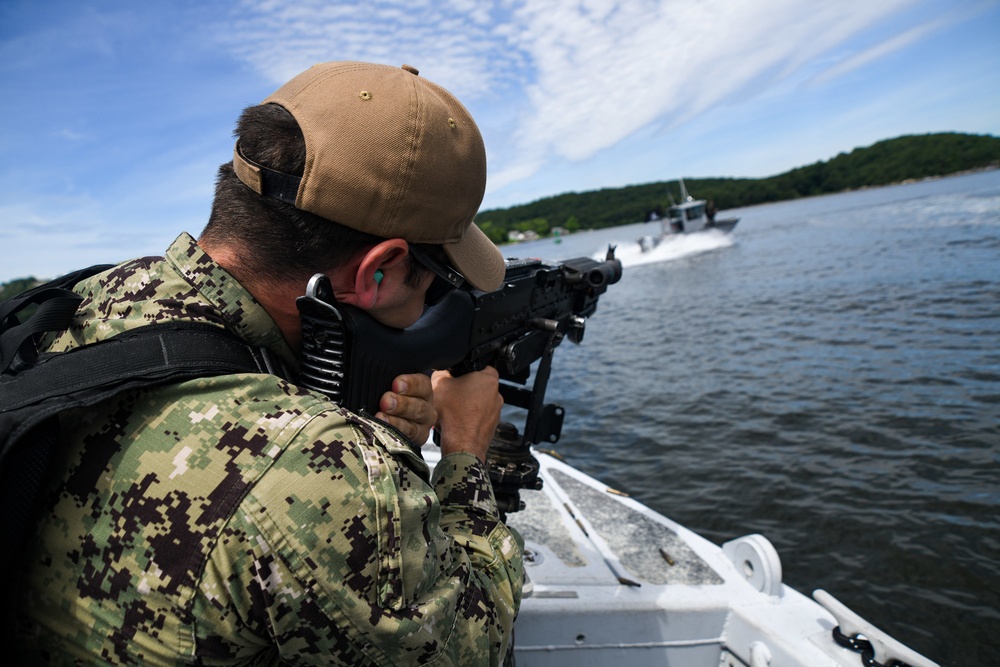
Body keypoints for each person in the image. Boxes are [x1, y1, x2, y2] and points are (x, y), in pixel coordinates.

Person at [13, 61, 523, 665]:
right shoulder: (319, 471)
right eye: (438, 286)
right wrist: (464, 454)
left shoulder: (84, 301)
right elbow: (472, 647)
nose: (431, 306)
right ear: (378, 270)